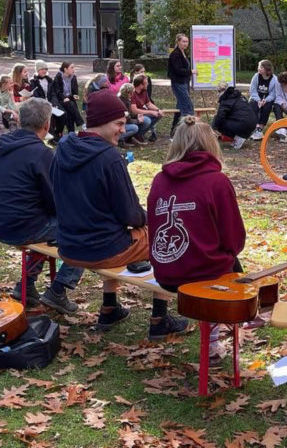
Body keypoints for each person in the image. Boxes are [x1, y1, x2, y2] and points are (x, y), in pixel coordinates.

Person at [50, 92, 190, 339]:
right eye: (118, 123)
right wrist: (152, 220)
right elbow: (131, 215)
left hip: (69, 245)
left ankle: (109, 307)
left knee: (127, 233)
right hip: (101, 249)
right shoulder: (109, 158)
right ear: (101, 122)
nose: (123, 130)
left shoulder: (63, 147)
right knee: (166, 238)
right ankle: (159, 318)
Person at [148, 116, 247, 359]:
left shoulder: (160, 180)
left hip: (167, 273)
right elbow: (234, 240)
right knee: (230, 265)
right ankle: (213, 342)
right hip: (203, 274)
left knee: (222, 262)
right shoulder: (216, 182)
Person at [0, 99, 82, 314]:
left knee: (52, 229)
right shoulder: (41, 153)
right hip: (22, 226)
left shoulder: (1, 146)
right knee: (90, 230)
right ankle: (59, 289)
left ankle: (25, 286)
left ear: (19, 120)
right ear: (47, 124)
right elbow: (56, 200)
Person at [213, 84, 257, 150]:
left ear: (222, 92)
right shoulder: (240, 96)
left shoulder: (226, 99)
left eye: (218, 92)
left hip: (242, 124)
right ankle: (241, 137)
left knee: (216, 120)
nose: (217, 94)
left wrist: (214, 127)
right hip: (253, 123)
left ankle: (238, 138)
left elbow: (220, 116)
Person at [167, 34, 194, 136]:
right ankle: (188, 131)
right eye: (183, 41)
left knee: (180, 106)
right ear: (178, 42)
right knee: (188, 107)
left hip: (184, 82)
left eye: (187, 42)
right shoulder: (175, 54)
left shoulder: (183, 53)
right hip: (178, 82)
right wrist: (190, 71)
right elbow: (178, 70)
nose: (185, 44)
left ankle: (174, 131)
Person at [249, 60, 281, 141]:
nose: (258, 68)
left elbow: (273, 94)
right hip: (256, 98)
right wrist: (258, 100)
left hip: (268, 99)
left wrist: (265, 100)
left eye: (260, 67)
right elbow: (252, 90)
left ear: (266, 69)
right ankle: (255, 127)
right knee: (253, 105)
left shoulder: (274, 79)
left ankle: (260, 128)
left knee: (267, 107)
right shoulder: (256, 76)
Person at [51, 61, 83, 136]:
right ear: (65, 69)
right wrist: (64, 98)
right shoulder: (58, 77)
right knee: (70, 104)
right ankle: (80, 123)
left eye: (73, 67)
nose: (73, 69)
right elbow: (57, 92)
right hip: (60, 101)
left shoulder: (73, 77)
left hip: (69, 100)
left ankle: (71, 134)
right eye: (71, 68)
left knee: (70, 113)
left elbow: (75, 91)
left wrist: (75, 96)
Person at [130, 74, 162, 142]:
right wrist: (151, 112)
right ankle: (136, 135)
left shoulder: (144, 91)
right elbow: (134, 110)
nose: (148, 84)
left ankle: (141, 134)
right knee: (147, 120)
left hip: (142, 113)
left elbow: (149, 104)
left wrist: (158, 110)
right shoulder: (132, 93)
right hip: (134, 115)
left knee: (158, 115)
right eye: (146, 83)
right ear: (141, 85)